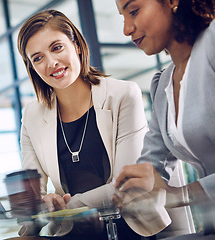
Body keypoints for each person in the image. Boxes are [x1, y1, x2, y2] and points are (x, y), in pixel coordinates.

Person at [14, 9, 169, 240]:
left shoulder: (123, 94)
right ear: (32, 67)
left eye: (56, 48)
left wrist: (70, 206)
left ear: (76, 45)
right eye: (38, 58)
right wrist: (46, 203)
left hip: (130, 227)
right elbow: (32, 193)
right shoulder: (32, 115)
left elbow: (126, 183)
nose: (51, 62)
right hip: (72, 231)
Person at [113, 0, 215, 238]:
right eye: (122, 17)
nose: (127, 29)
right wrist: (131, 192)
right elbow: (149, 167)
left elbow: (172, 193)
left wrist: (181, 194)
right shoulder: (162, 85)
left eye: (134, 11)